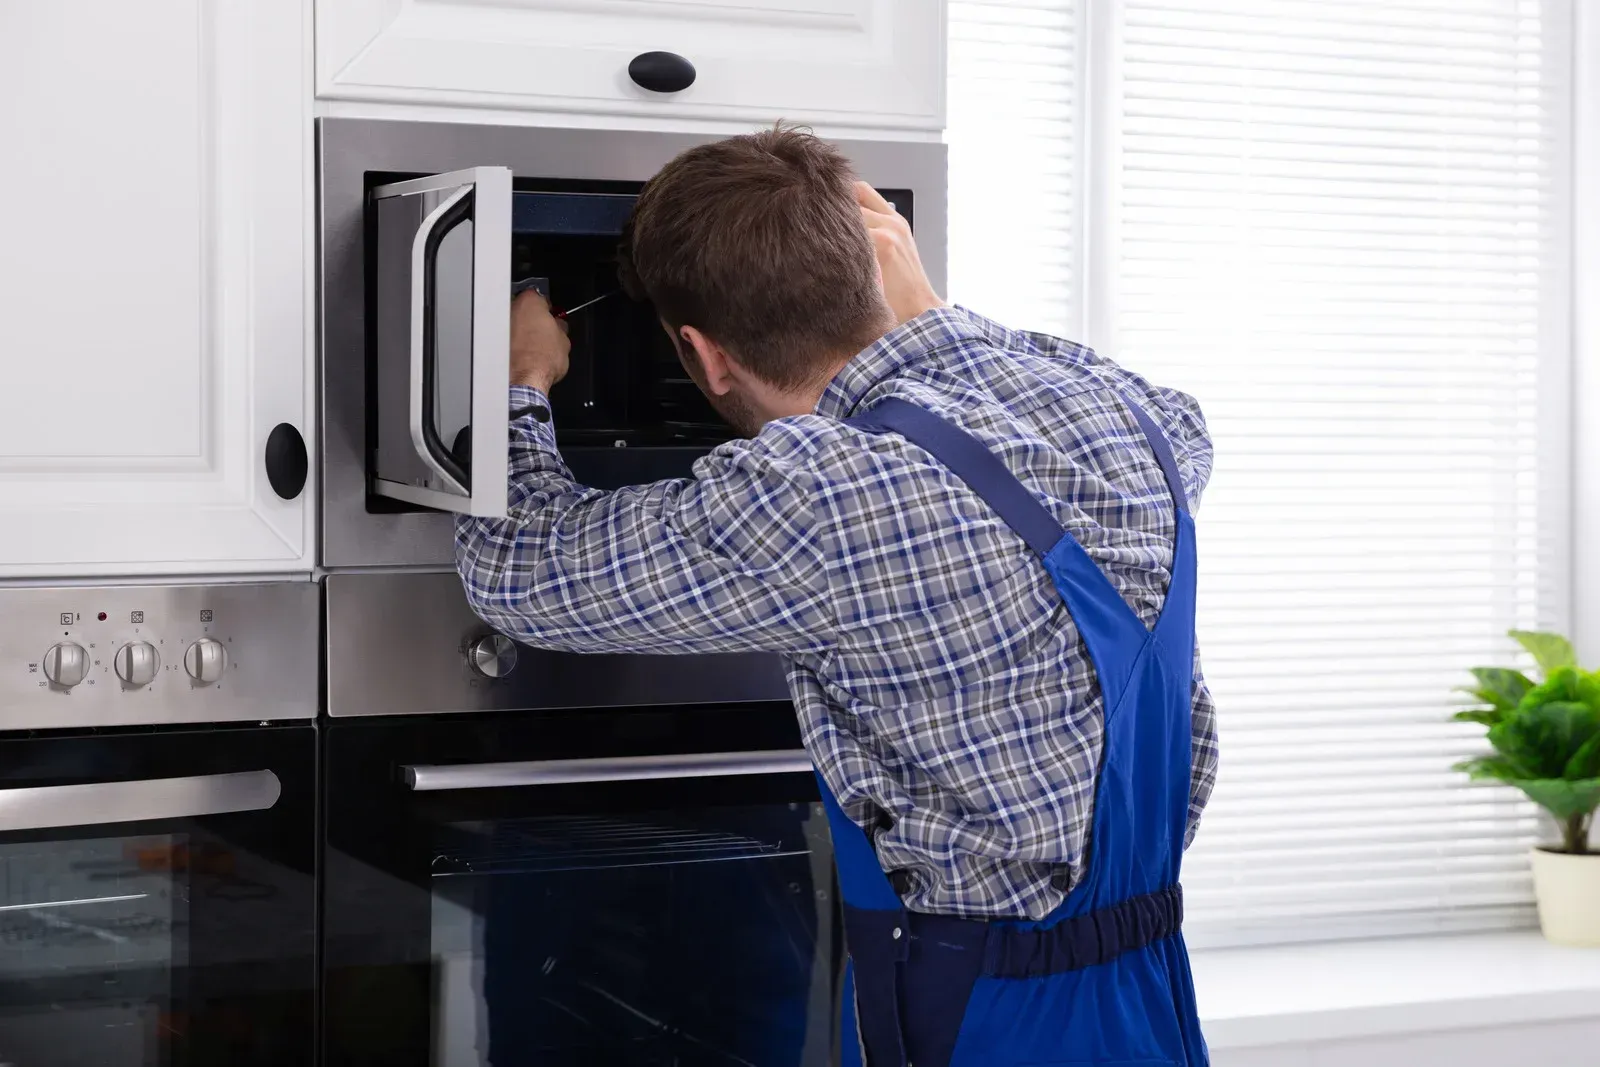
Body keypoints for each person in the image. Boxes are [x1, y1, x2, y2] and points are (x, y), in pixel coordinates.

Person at [455, 126, 1217, 1067]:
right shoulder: (1136, 422)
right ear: (874, 257)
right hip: (1149, 992)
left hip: (973, 1010)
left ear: (703, 355)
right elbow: (1160, 415)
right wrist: (929, 311)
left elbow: (518, 571)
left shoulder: (818, 493)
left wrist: (517, 381)